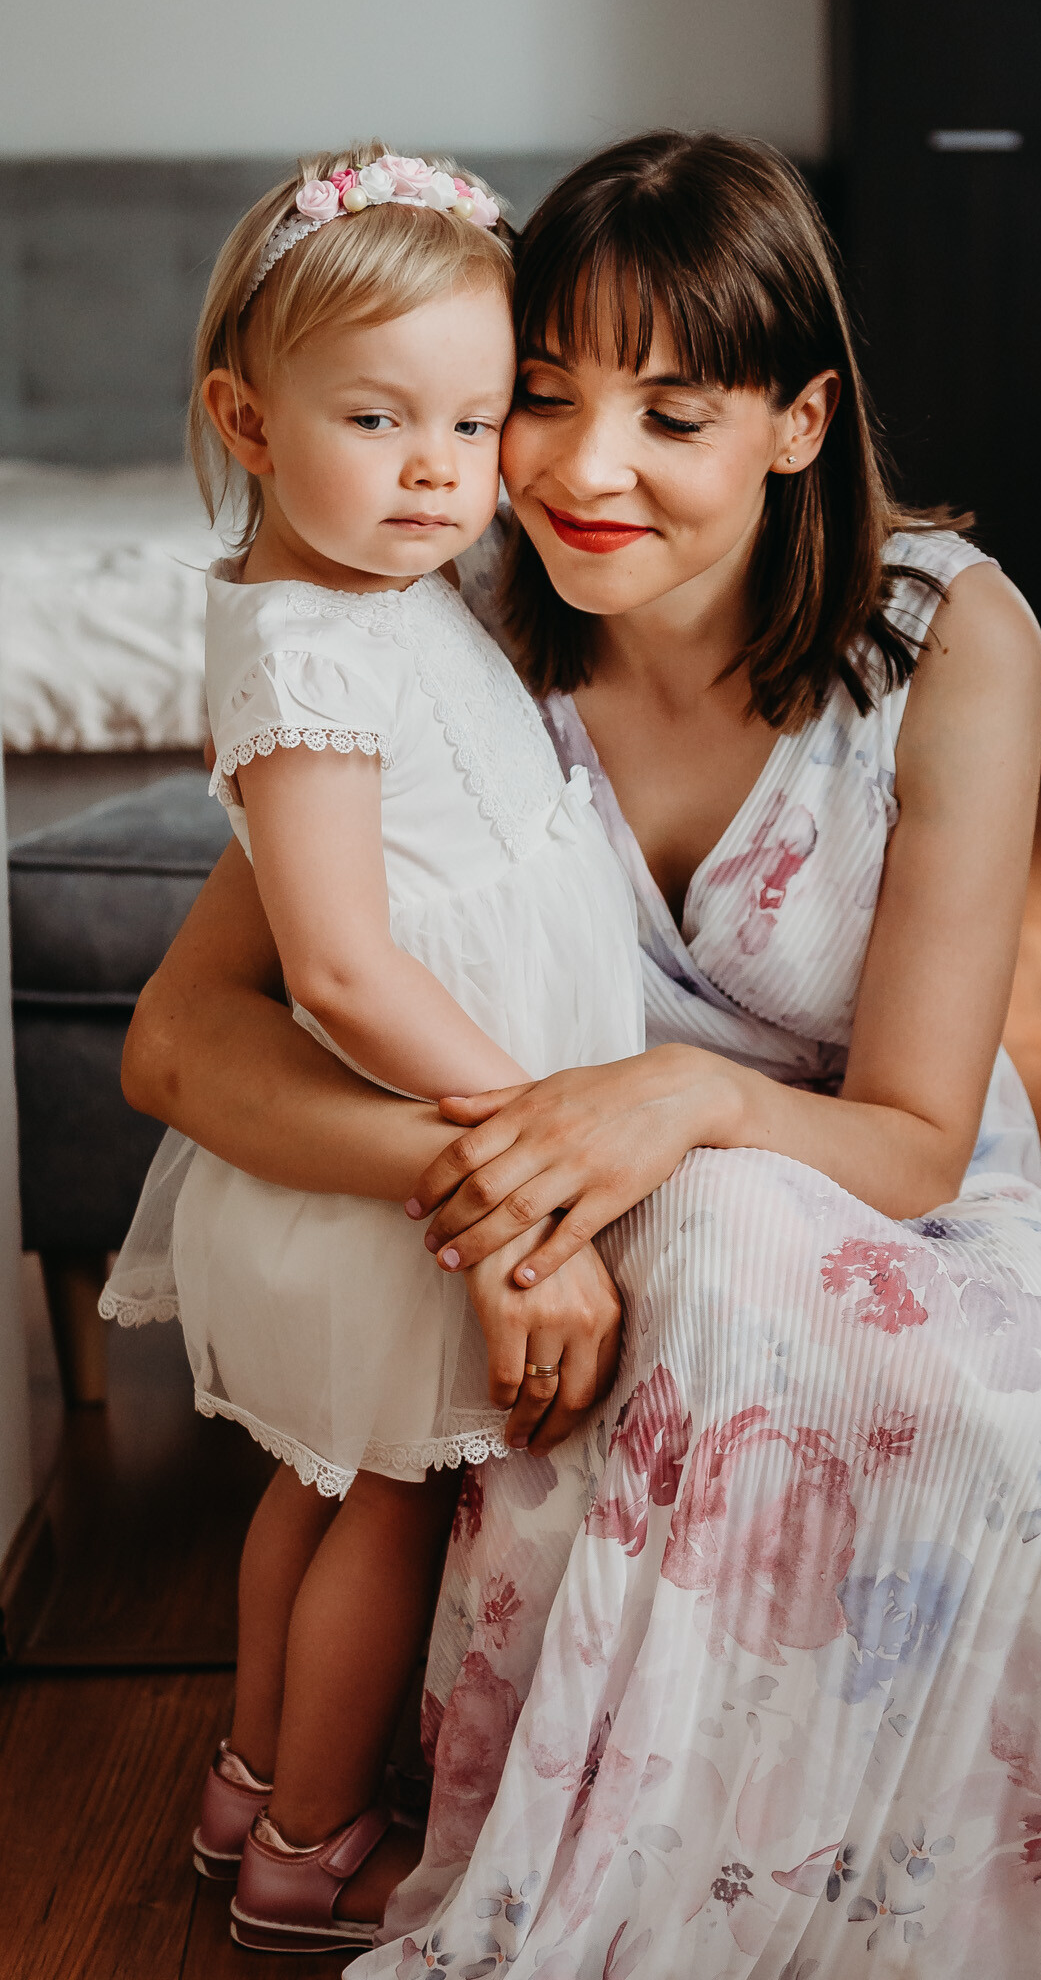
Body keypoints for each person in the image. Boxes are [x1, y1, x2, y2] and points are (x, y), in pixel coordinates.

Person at [121, 133, 1041, 1976]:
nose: (578, 468)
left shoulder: (947, 639)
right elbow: (183, 1041)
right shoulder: (441, 608)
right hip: (572, 1227)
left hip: (893, 1201)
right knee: (693, 1260)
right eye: (543, 397)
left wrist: (686, 1096)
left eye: (674, 416)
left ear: (799, 422)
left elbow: (917, 1139)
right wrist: (510, 1204)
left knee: (961, 1376)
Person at [99, 143, 643, 1955]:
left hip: (377, 1162)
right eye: (379, 418)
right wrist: (524, 1136)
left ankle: (250, 1779)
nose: (440, 470)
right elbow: (333, 965)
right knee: (396, 1509)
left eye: (477, 424)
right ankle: (311, 1843)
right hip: (395, 1165)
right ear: (247, 422)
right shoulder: (311, 653)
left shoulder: (369, 593)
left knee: (316, 1485)